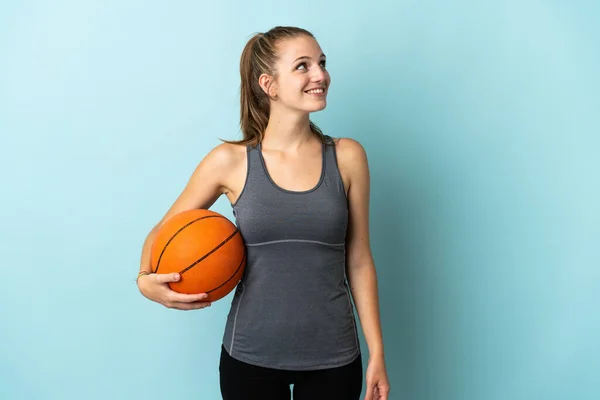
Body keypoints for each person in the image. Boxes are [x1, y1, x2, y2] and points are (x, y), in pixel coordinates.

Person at [136, 26, 390, 400]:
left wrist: (378, 354)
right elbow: (163, 232)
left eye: (321, 63)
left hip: (334, 357)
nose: (320, 75)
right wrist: (145, 280)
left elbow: (359, 260)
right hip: (249, 357)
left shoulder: (348, 157)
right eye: (302, 66)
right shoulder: (230, 162)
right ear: (269, 84)